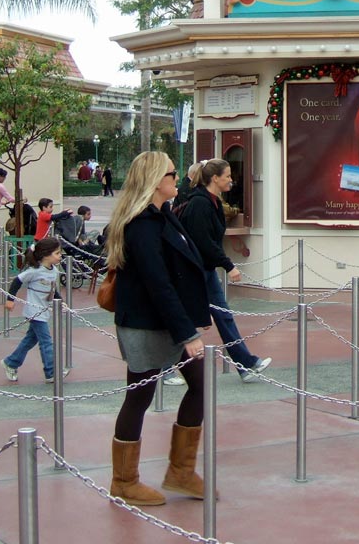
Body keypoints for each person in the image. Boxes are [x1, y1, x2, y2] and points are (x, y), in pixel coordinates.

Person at [106, 151, 211, 507]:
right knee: (139, 396)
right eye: (170, 172)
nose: (177, 176)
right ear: (154, 180)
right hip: (146, 323)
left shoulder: (164, 215)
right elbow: (158, 283)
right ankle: (124, 481)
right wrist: (188, 334)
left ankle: (181, 471)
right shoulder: (141, 224)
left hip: (166, 321)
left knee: (199, 385)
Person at [177, 159, 272, 383]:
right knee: (185, 318)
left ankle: (246, 364)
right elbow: (204, 242)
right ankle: (165, 367)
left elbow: (210, 242)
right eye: (227, 176)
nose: (231, 179)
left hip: (205, 269)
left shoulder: (213, 202)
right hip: (195, 271)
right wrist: (229, 265)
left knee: (222, 315)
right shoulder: (201, 204)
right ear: (215, 178)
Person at [1, 237, 68, 383]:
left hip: (44, 310)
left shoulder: (54, 270)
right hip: (34, 311)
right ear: (46, 255)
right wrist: (10, 299)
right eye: (57, 253)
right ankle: (51, 372)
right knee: (46, 341)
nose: (60, 256)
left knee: (30, 340)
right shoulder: (34, 271)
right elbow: (17, 281)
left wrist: (60, 302)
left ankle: (11, 362)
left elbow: (52, 289)